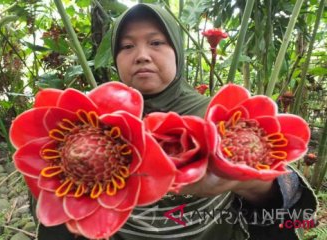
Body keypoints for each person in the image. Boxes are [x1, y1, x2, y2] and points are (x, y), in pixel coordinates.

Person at [36, 3, 317, 240]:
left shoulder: (219, 115)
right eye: (127, 46)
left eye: (156, 42)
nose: (142, 55)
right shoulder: (88, 119)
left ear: (177, 51)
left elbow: (290, 204)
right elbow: (59, 210)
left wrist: (250, 183)